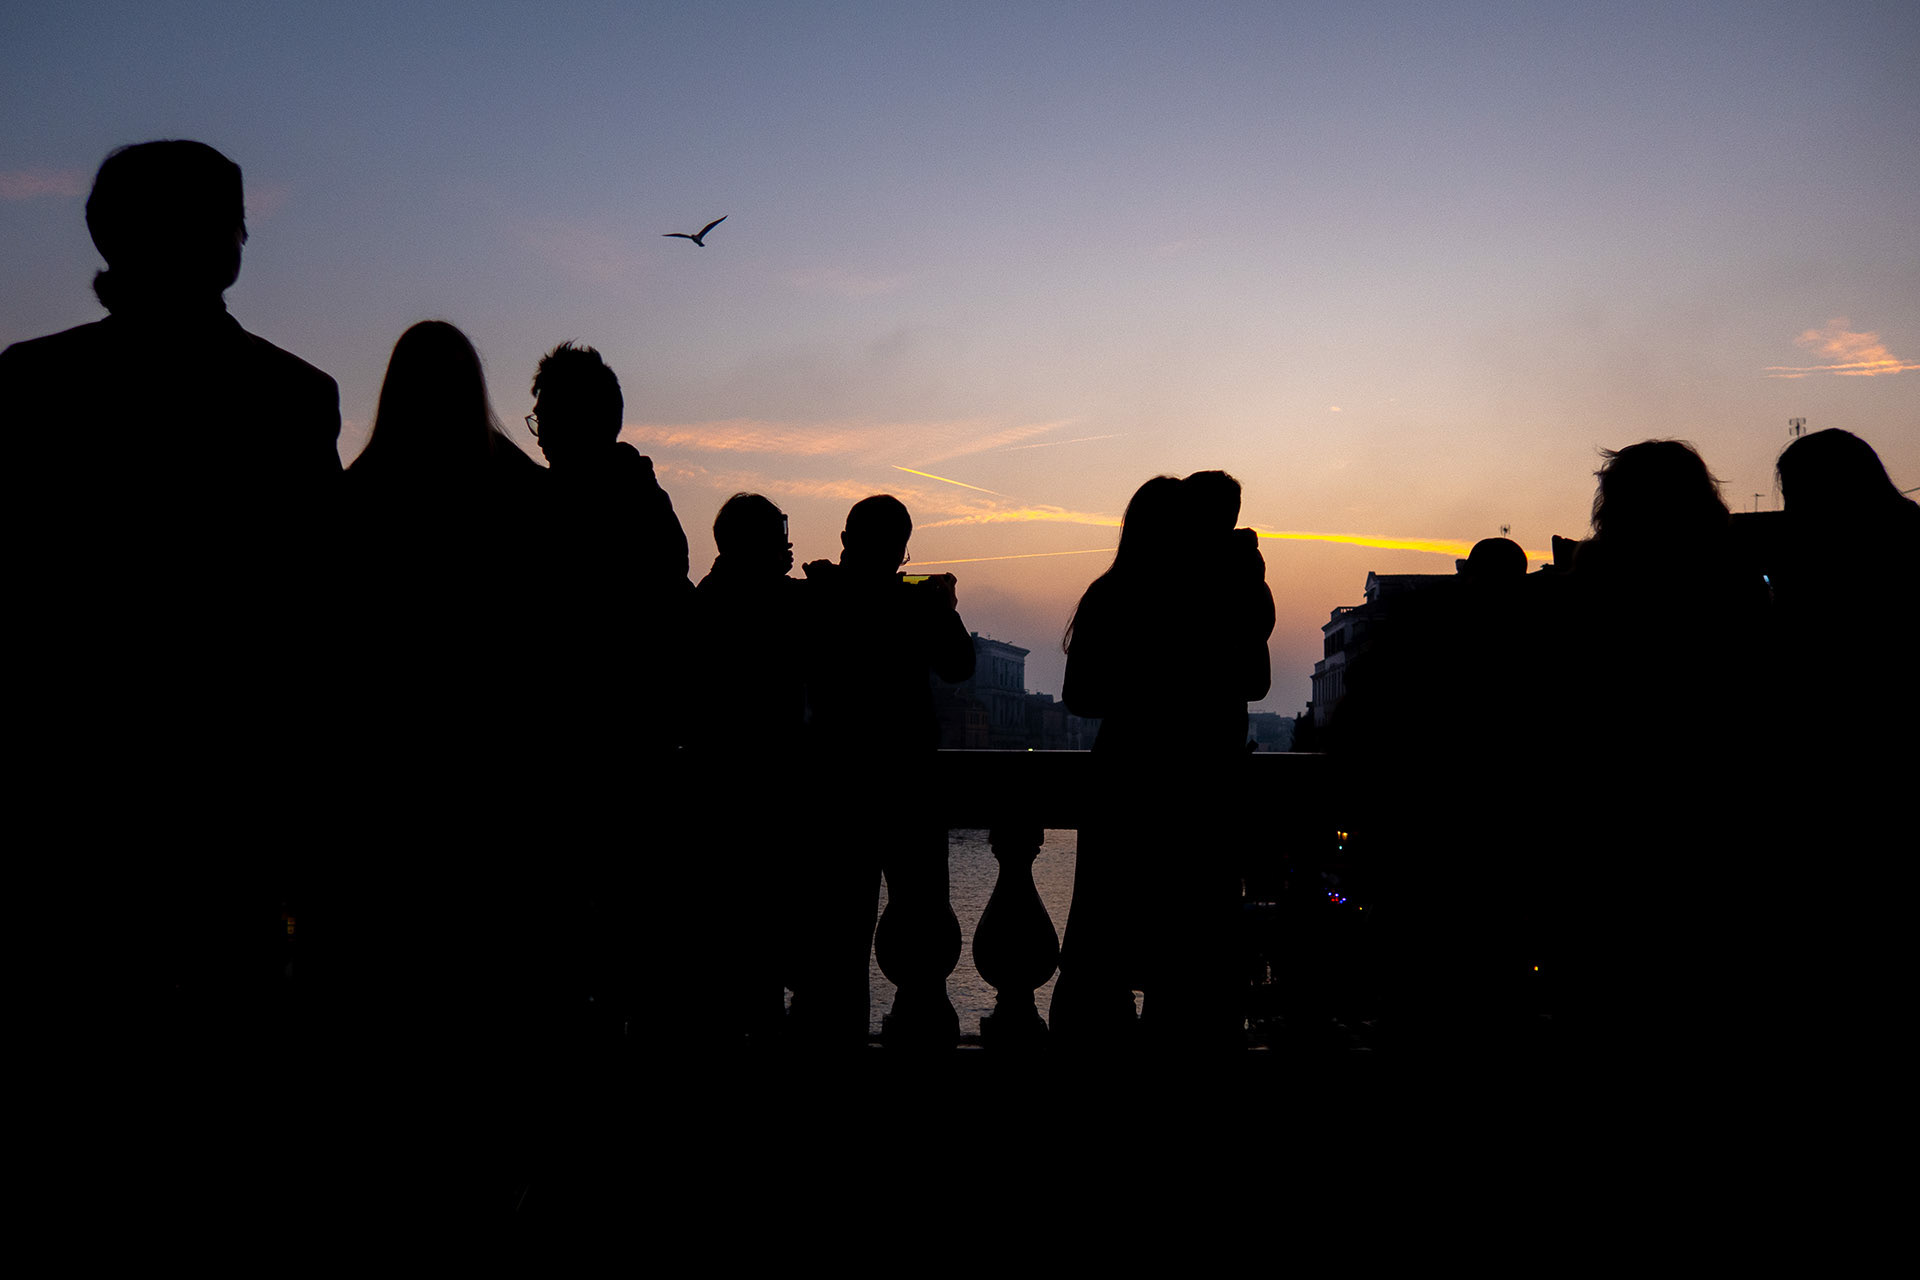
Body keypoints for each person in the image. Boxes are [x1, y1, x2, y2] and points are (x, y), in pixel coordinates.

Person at [0, 139, 341, 1057]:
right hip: (232, 796)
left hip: (72, 793)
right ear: (226, 242)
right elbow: (320, 620)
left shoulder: (27, 387)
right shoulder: (293, 399)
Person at [1051, 472, 1275, 1050]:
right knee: (1192, 962)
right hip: (1201, 794)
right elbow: (1256, 681)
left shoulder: (1111, 595)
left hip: (1125, 787)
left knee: (1104, 951)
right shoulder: (1220, 598)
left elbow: (1080, 696)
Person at [795, 495, 975, 1045]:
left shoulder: (816, 598)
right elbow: (959, 666)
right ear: (901, 550)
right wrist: (943, 606)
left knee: (835, 942)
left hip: (836, 786)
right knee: (921, 934)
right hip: (908, 788)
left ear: (847, 538)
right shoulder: (915, 605)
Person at [694, 494, 805, 1038]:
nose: (788, 547)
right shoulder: (765, 603)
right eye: (778, 538)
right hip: (757, 801)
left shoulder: (710, 598)